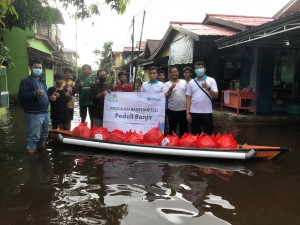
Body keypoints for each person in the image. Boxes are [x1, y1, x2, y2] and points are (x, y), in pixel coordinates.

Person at [18, 59, 49, 154]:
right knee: (34, 136)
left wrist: (51, 98)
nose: (38, 69)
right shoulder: (26, 81)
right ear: (30, 68)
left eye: (40, 68)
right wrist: (35, 93)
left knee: (44, 135)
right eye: (36, 67)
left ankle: (42, 155)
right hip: (34, 113)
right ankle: (31, 159)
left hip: (45, 112)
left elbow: (44, 95)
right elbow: (21, 96)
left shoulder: (42, 82)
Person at [186, 61, 218, 135]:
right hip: (194, 112)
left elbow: (216, 96)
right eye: (197, 68)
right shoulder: (191, 82)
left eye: (201, 68)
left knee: (208, 134)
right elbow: (188, 98)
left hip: (207, 112)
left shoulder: (211, 80)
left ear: (205, 69)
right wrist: (187, 113)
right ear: (195, 71)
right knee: (195, 134)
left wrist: (208, 88)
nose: (199, 69)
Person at [165, 66, 188, 137]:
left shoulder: (184, 82)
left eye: (175, 72)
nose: (174, 73)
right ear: (170, 74)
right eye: (172, 72)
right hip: (172, 110)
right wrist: (170, 88)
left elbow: (188, 95)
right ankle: (173, 144)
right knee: (172, 129)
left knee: (184, 129)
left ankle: (183, 144)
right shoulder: (167, 84)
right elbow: (166, 96)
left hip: (183, 110)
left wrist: (188, 109)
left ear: (178, 73)